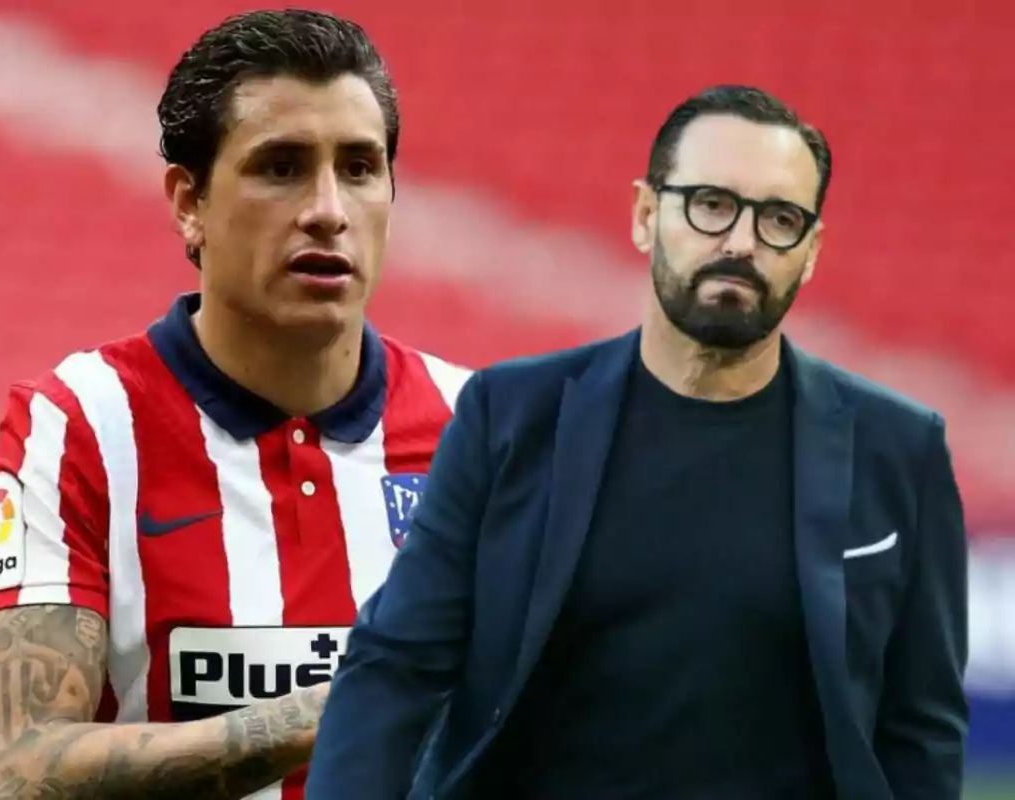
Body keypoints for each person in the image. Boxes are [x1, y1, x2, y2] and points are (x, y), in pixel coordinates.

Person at [307, 85, 969, 799]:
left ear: (810, 252)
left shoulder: (901, 450)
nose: (741, 243)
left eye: (779, 219)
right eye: (711, 205)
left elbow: (919, 730)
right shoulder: (510, 416)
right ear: (646, 216)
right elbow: (398, 664)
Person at [0, 10, 470, 799]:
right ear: (188, 202)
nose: (328, 209)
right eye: (281, 167)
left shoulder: (481, 430)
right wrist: (341, 706)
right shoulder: (83, 425)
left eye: (361, 167)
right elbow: (20, 772)